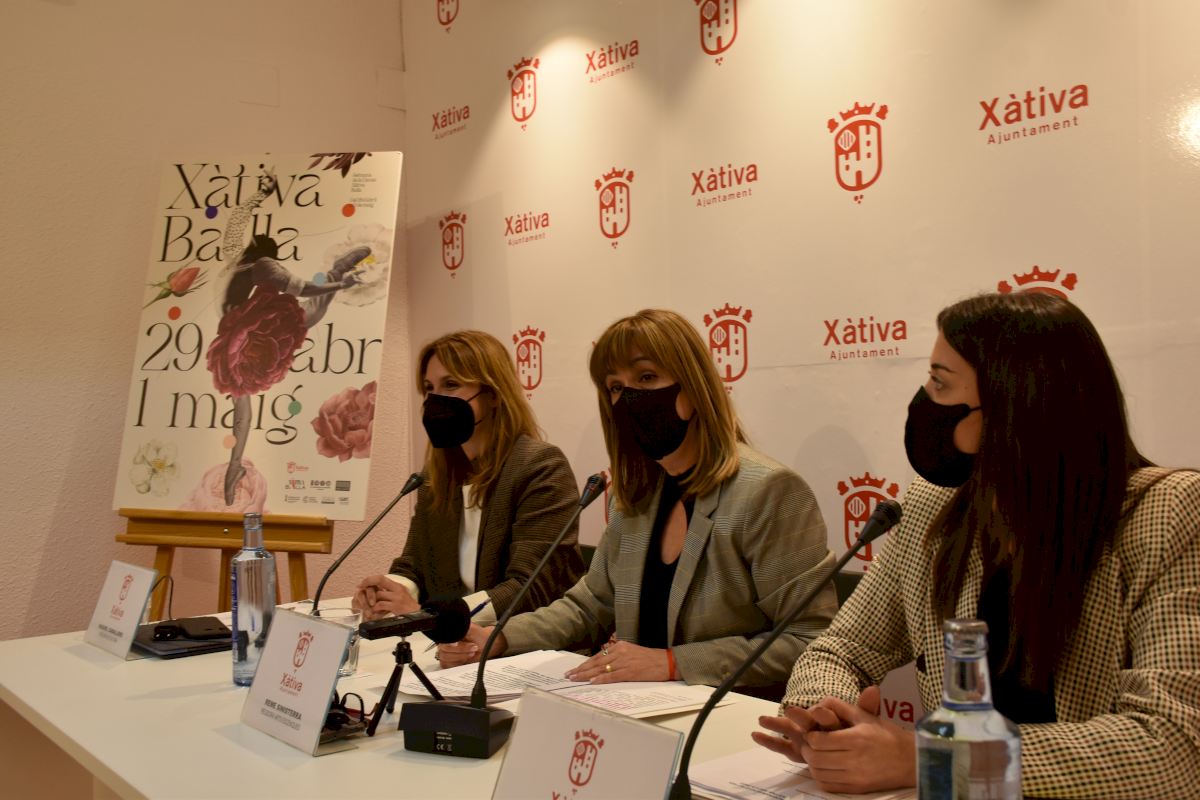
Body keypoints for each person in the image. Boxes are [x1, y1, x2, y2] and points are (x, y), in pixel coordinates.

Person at [755, 292, 1200, 798]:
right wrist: (827, 719)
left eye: (940, 382)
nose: (925, 398)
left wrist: (935, 758)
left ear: (1017, 406)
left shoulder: (1167, 512)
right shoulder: (933, 504)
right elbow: (842, 648)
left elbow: (1175, 746)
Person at [439, 309, 836, 692]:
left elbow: (807, 638)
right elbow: (588, 606)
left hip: (730, 712)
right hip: (636, 707)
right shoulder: (635, 498)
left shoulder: (767, 491)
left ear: (694, 388)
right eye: (615, 387)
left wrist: (673, 663)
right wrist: (498, 637)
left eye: (647, 377)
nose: (629, 397)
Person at [353, 330, 585, 621]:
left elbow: (529, 588)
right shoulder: (436, 477)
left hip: (521, 640)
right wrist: (388, 593)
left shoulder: (539, 466)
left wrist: (435, 618)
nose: (436, 399)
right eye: (429, 388)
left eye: (451, 385)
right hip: (451, 640)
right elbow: (413, 565)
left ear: (494, 394)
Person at [209, 172, 369, 505]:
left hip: (251, 328)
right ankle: (234, 468)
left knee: (311, 314)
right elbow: (304, 288)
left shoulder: (239, 256)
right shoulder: (264, 264)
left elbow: (237, 220)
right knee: (311, 312)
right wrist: (341, 285)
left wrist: (259, 194)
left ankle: (338, 269)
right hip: (251, 329)